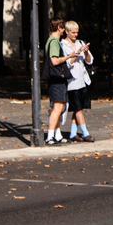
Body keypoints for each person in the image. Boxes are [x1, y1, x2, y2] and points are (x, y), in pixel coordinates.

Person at [44, 17, 77, 145]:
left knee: (59, 107)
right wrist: (69, 56)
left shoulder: (52, 41)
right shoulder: (54, 42)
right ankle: (50, 136)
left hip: (56, 80)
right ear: (59, 28)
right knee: (57, 108)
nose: (64, 31)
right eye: (63, 28)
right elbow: (54, 60)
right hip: (56, 79)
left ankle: (57, 134)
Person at [60, 21, 95, 143]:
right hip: (71, 82)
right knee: (78, 108)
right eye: (73, 32)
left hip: (83, 80)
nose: (75, 35)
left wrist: (85, 51)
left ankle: (73, 133)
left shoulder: (80, 42)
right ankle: (86, 133)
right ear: (67, 32)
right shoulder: (63, 45)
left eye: (77, 32)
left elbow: (89, 61)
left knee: (78, 108)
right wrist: (77, 52)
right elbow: (68, 63)